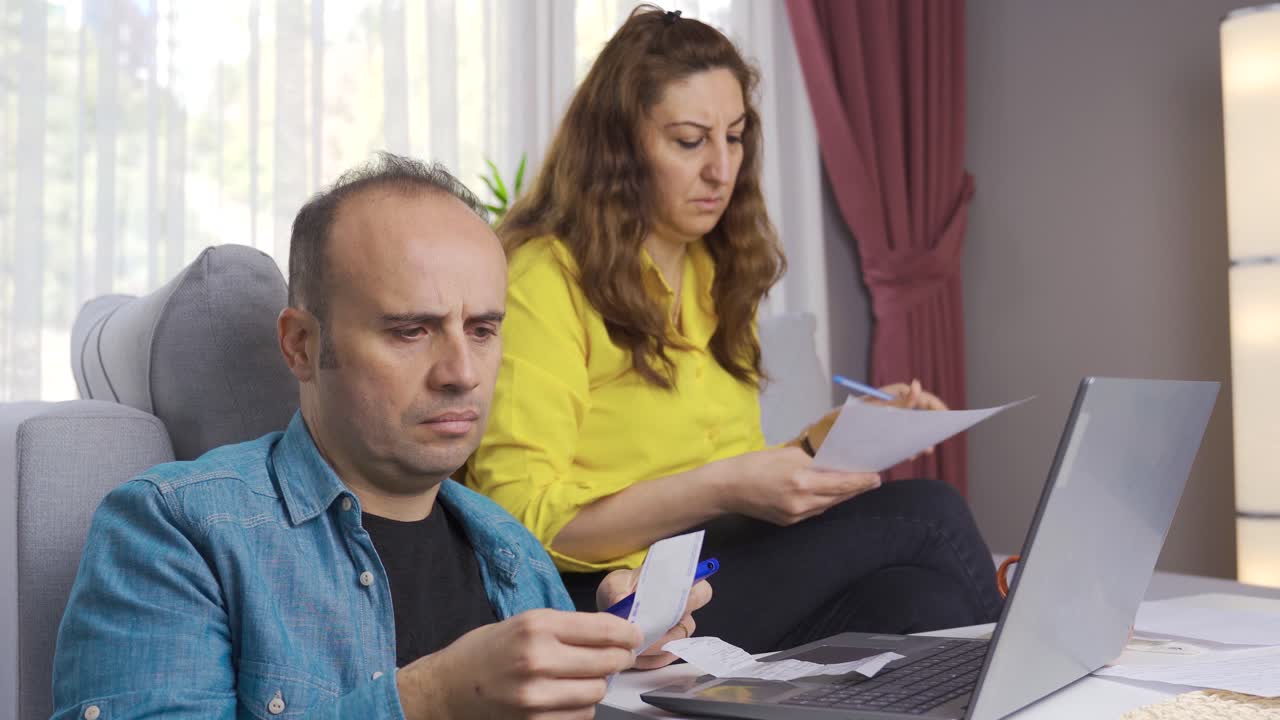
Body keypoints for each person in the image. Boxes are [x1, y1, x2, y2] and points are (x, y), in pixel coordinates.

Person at [51, 154, 709, 720]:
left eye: (482, 329)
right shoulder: (173, 530)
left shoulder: (516, 555)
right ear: (302, 346)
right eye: (410, 331)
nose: (462, 374)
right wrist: (430, 700)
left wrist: (613, 657)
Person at [465, 5, 1001, 654]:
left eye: (736, 136)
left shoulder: (713, 268)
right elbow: (519, 520)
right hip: (614, 591)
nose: (722, 168)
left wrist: (831, 441)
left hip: (720, 556)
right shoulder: (543, 277)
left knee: (921, 600)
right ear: (618, 147)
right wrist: (724, 485)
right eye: (690, 141)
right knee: (930, 514)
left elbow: (736, 468)